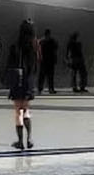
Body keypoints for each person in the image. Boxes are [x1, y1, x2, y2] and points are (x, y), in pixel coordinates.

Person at [6, 20, 37, 150]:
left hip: (17, 81)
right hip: (28, 80)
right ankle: (29, 138)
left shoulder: (15, 46)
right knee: (26, 110)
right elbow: (35, 65)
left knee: (18, 111)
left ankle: (20, 141)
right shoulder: (33, 46)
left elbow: (9, 64)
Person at [37, 30, 57, 95]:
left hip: (45, 61)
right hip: (49, 60)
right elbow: (55, 50)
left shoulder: (41, 41)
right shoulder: (52, 41)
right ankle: (50, 88)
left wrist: (39, 58)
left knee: (43, 76)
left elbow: (39, 51)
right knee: (49, 76)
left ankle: (41, 88)